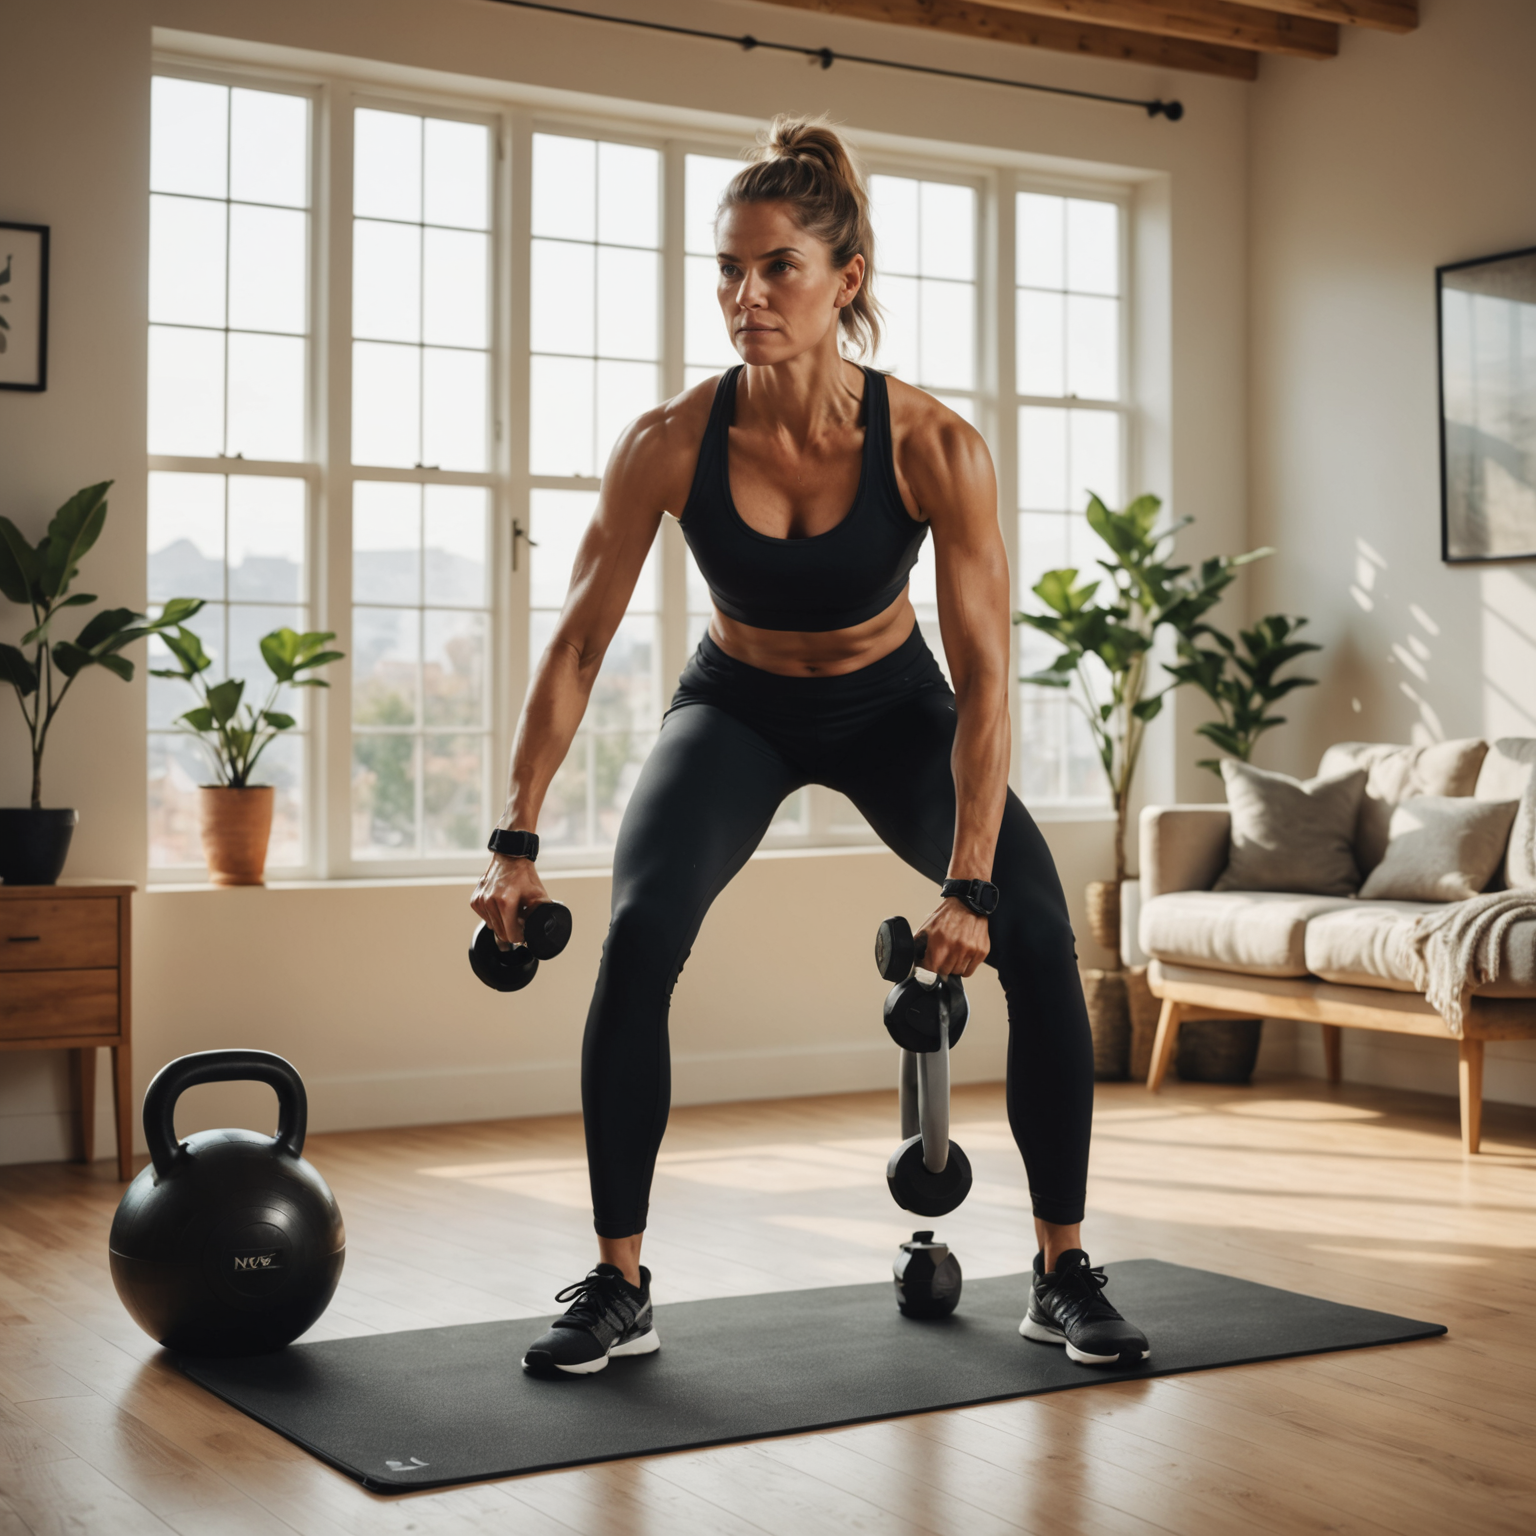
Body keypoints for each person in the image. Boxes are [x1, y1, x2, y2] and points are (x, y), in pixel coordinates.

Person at [472, 116, 1148, 1377]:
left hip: (894, 707)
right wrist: (514, 840)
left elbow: (990, 682)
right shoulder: (669, 440)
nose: (744, 296)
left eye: (776, 266)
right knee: (640, 934)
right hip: (735, 705)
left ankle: (1060, 1266)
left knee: (1042, 939)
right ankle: (619, 1283)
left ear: (847, 279)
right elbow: (575, 647)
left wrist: (970, 882)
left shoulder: (935, 445)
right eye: (728, 269)